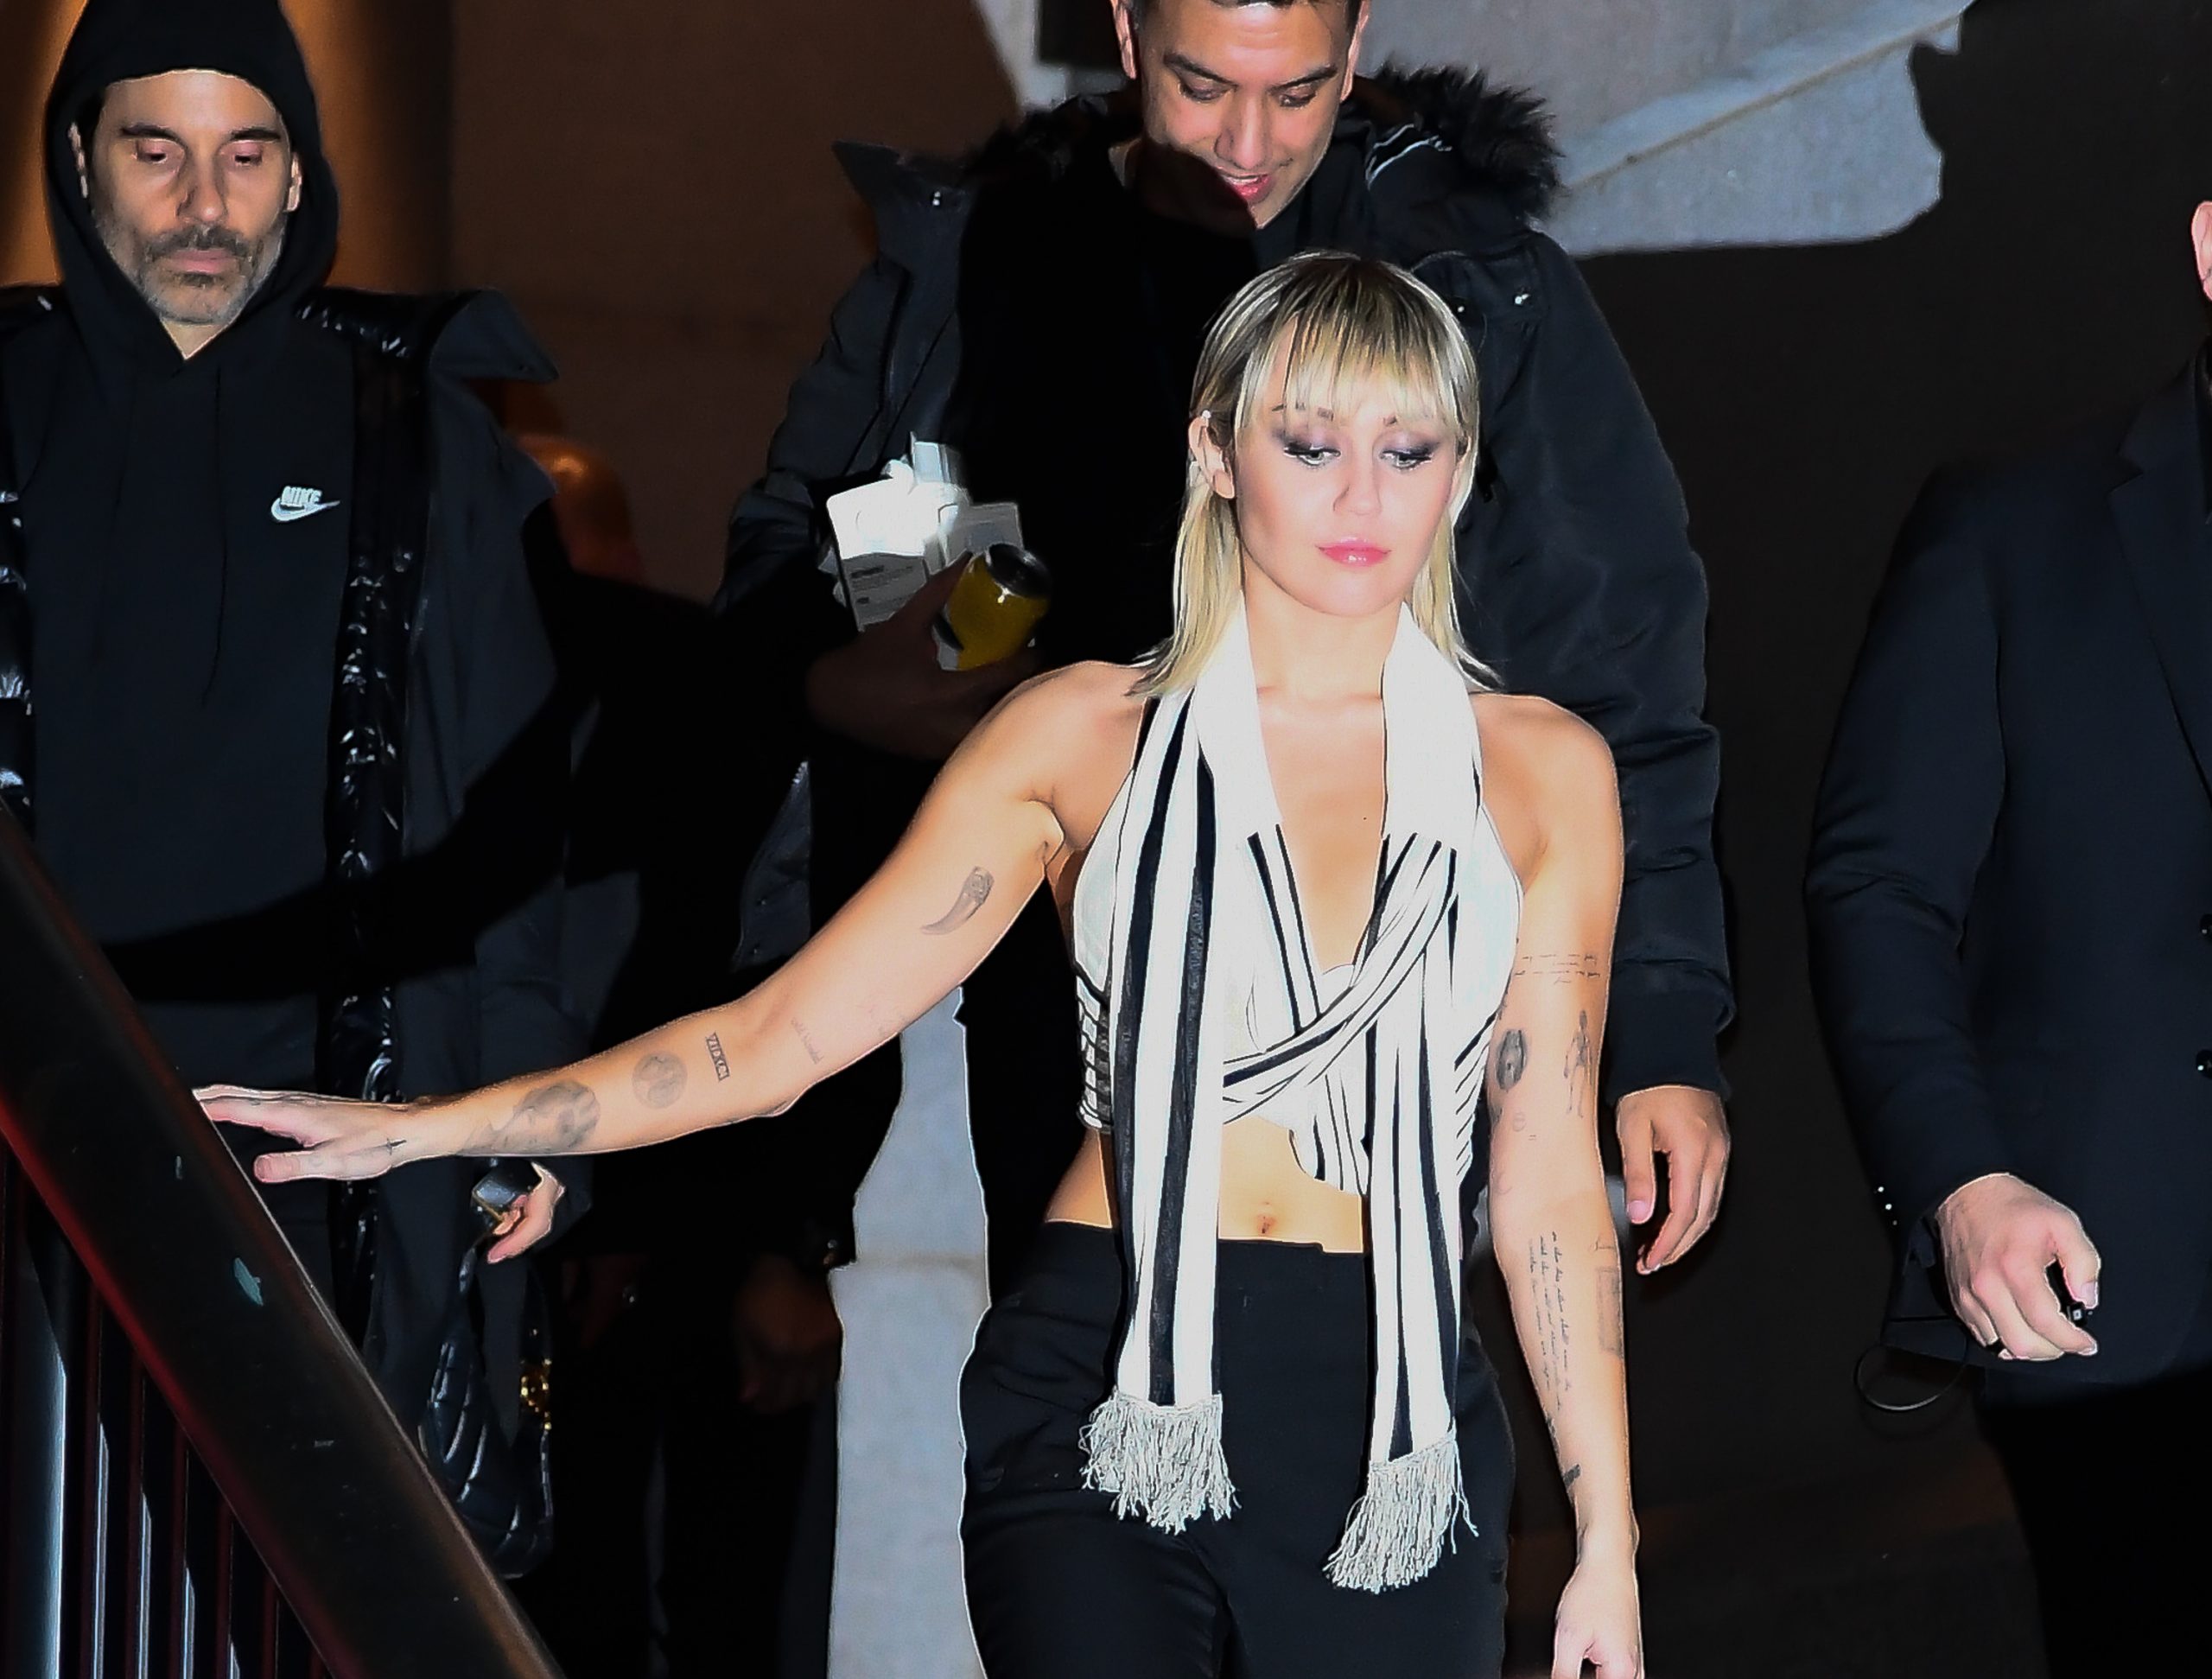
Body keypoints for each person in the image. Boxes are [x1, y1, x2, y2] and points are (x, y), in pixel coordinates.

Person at [209, 254, 1643, 1679]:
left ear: (1461, 473)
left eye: (1409, 450)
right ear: (1216, 454)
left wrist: (1607, 1541)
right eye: (1312, 445)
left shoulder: (1542, 772)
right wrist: (432, 1126)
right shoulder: (1080, 735)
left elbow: (1548, 1177)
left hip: (1389, 1404)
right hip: (1098, 1369)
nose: (1362, 497)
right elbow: (780, 1037)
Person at [721, 0, 1730, 1362]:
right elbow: (776, 576)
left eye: (1297, 92)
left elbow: (1617, 667)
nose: (1249, 143)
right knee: (1085, 1405)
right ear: (1128, 32)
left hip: (1378, 984)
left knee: (1348, 1423)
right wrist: (834, 686)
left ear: (1356, 46)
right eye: (1204, 86)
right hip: (1064, 990)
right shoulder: (980, 258)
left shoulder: (1474, 284)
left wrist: (1658, 1025)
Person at [0, 0, 582, 1548]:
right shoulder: (4, 411)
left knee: (272, 1595)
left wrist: (525, 1113)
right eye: (158, 154)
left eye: (246, 155)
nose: (206, 204)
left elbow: (519, 832)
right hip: (27, 1145)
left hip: (321, 1169)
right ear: (79, 161)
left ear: (302, 175)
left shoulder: (425, 447)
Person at [1804, 202, 2212, 1676]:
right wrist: (1961, 1181)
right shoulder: (2015, 524)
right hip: (2120, 1291)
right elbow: (1880, 889)